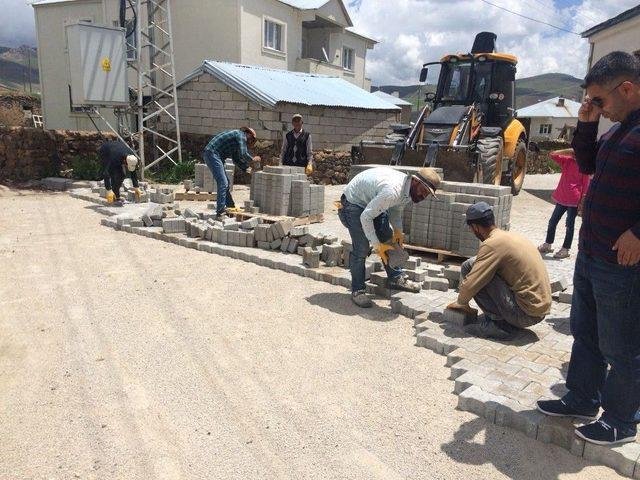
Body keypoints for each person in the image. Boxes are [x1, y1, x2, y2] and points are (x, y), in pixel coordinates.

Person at [537, 51, 640, 446]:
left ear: (627, 89)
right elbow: (588, 164)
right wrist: (587, 124)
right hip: (593, 252)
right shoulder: (617, 130)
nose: (594, 106)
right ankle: (581, 399)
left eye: (599, 100)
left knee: (623, 344)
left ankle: (621, 420)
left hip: (623, 262)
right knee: (586, 332)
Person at [339, 167, 441, 308]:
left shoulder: (408, 191)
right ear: (416, 182)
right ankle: (358, 290)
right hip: (354, 202)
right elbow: (365, 217)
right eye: (424, 192)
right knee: (361, 247)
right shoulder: (392, 191)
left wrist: (398, 232)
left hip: (373, 199)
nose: (424, 197)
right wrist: (376, 245)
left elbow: (395, 209)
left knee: (387, 237)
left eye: (428, 195)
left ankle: (395, 277)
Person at [447, 202, 551, 339]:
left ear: (476, 227)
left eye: (471, 229)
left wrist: (461, 302)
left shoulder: (491, 244)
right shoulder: (506, 236)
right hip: (539, 310)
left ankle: (498, 325)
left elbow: (472, 282)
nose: (472, 232)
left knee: (479, 274)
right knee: (471, 265)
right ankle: (502, 319)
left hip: (526, 315)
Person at [538, 148, 590, 259]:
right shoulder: (567, 161)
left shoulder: (584, 167)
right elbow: (552, 154)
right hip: (561, 197)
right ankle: (548, 244)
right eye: (575, 152)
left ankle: (565, 249)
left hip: (574, 200)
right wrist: (568, 150)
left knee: (569, 225)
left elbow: (586, 185)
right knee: (552, 221)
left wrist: (582, 201)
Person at [203, 127, 260, 219]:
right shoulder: (241, 135)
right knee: (223, 183)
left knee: (226, 183)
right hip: (212, 154)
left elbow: (237, 159)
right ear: (248, 134)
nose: (249, 142)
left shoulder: (236, 141)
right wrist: (253, 159)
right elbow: (244, 153)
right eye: (251, 140)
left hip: (214, 155)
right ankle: (220, 212)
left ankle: (230, 206)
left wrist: (247, 169)